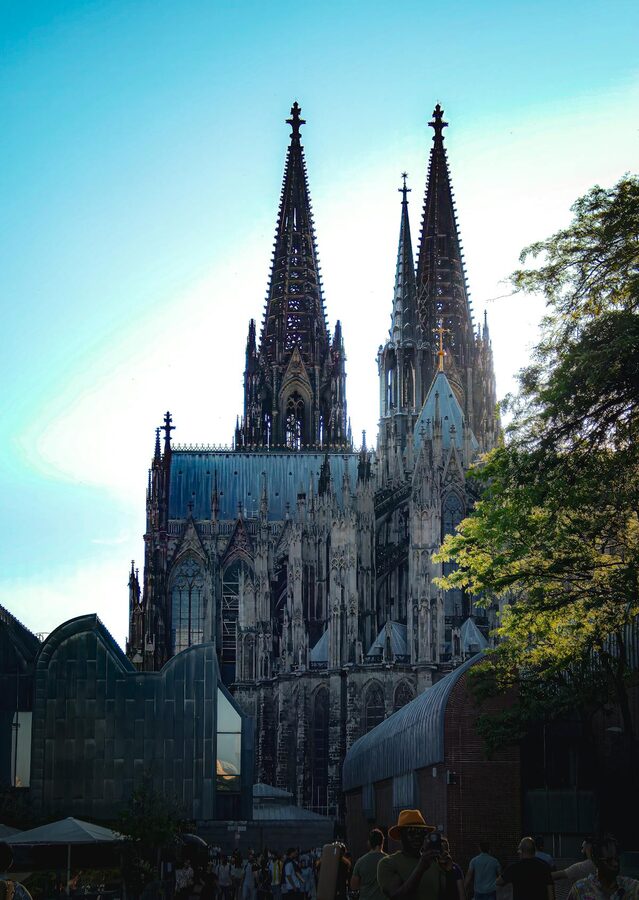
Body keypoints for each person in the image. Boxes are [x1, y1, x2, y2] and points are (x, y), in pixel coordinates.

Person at [377, 809, 446, 900]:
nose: (417, 836)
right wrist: (421, 868)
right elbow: (397, 896)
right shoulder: (388, 863)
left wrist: (448, 871)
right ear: (401, 835)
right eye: (411, 832)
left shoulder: (434, 863)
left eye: (421, 832)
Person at [568, 834, 639, 900]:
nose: (615, 864)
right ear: (596, 861)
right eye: (609, 860)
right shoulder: (580, 889)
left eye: (617, 859)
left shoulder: (632, 887)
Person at [351, 830, 387, 900]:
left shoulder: (360, 862)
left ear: (369, 843)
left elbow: (353, 886)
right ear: (382, 842)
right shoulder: (389, 861)